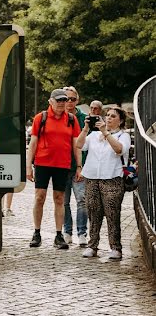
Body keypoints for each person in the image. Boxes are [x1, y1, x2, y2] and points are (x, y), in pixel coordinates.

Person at [26, 88, 81, 249]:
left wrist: (79, 166)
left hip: (62, 164)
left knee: (59, 199)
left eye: (65, 100)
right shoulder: (40, 118)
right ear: (50, 101)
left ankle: (59, 235)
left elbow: (76, 144)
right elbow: (33, 143)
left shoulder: (71, 119)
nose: (62, 103)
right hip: (42, 163)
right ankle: (37, 232)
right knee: (39, 197)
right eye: (59, 100)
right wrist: (28, 165)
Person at [76, 105, 131, 260]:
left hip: (112, 178)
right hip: (92, 178)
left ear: (120, 121)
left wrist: (105, 132)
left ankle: (115, 248)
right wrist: (86, 128)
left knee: (112, 214)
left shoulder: (122, 136)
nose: (108, 118)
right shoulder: (93, 135)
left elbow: (119, 149)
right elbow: (79, 145)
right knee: (93, 213)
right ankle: (92, 245)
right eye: (108, 115)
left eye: (113, 116)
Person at [62, 86, 87, 246]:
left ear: (77, 100)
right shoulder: (57, 117)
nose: (69, 102)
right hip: (62, 166)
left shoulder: (84, 118)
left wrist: (83, 166)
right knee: (63, 202)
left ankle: (82, 233)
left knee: (81, 200)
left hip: (80, 166)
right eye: (66, 99)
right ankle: (67, 231)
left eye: (72, 99)